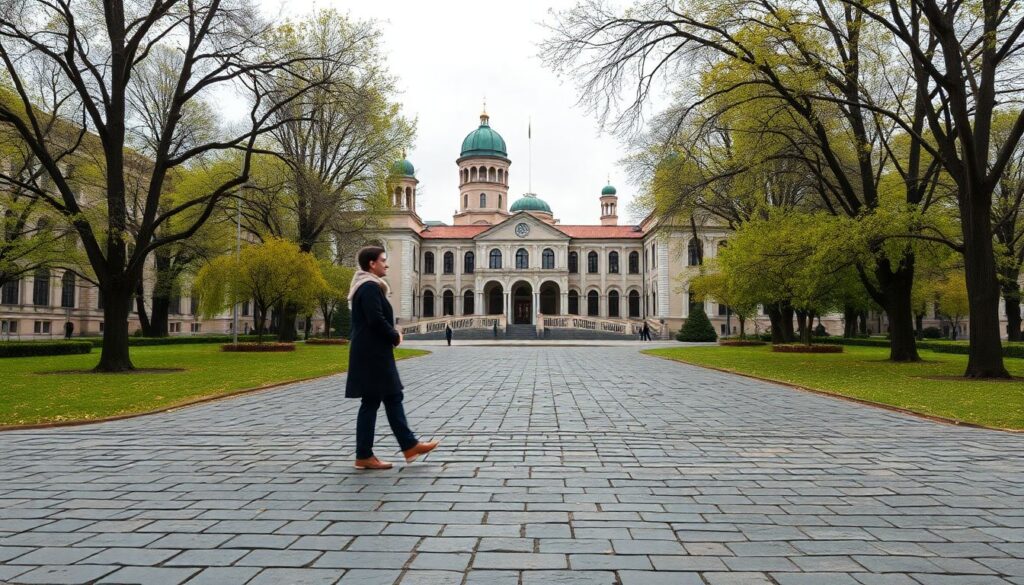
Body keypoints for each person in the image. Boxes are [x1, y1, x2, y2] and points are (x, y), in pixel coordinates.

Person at [346, 246, 438, 470]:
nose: (386, 265)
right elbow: (375, 319)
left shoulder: (368, 286)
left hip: (371, 351)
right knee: (381, 399)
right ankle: (390, 449)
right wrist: (395, 335)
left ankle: (400, 448)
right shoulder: (369, 287)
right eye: (383, 260)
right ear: (372, 264)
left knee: (385, 398)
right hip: (373, 354)